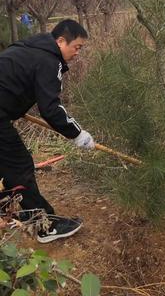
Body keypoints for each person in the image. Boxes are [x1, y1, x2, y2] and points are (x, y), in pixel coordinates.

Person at [0, 19, 95, 243]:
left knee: (6, 165)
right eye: (77, 47)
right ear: (61, 41)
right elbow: (51, 109)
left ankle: (11, 209)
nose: (78, 53)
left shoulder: (27, 47)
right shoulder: (49, 60)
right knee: (19, 165)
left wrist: (12, 103)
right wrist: (79, 134)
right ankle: (45, 225)